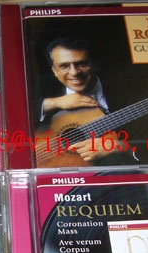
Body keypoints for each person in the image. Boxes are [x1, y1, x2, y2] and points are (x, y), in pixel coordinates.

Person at [37, 37, 118, 165]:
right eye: (64, 66)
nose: (74, 73)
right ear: (54, 71)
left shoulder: (126, 90)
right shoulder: (44, 90)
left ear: (96, 64)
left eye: (82, 64)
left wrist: (120, 147)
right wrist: (56, 102)